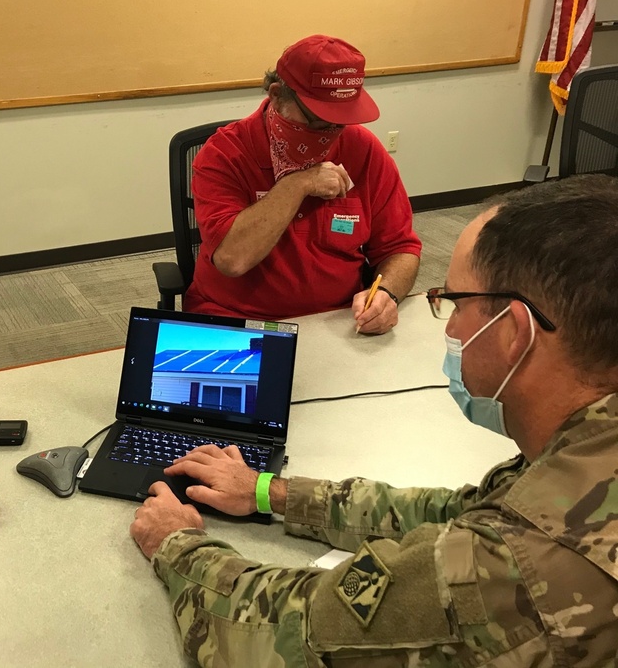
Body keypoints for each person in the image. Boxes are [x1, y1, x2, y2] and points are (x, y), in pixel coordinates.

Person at [131, 175, 618, 665]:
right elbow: (460, 511)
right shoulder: (588, 449)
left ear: (513, 330)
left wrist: (177, 545)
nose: (447, 326)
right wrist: (268, 491)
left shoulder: (513, 565)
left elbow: (285, 633)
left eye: (453, 301)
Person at [185, 34, 421, 334]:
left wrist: (387, 293)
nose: (331, 133)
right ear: (277, 95)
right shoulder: (224, 153)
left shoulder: (363, 149)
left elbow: (400, 248)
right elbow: (233, 260)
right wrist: (297, 185)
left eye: (341, 121)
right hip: (238, 320)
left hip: (337, 321)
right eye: (319, 121)